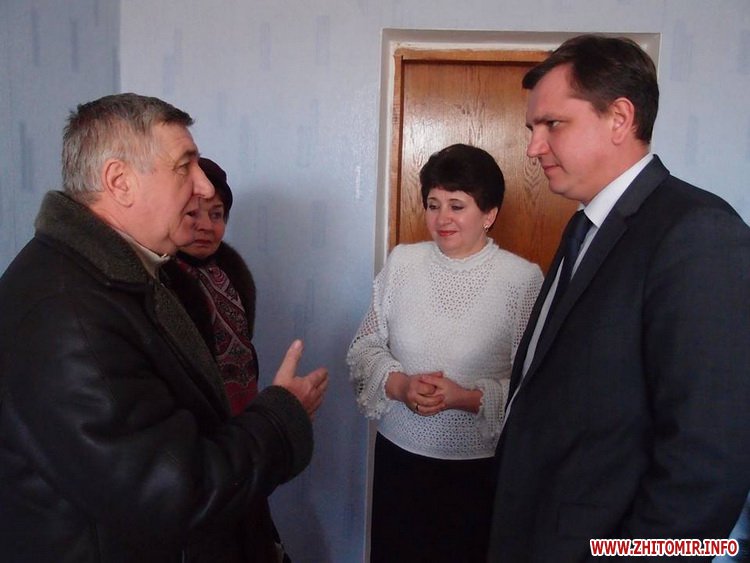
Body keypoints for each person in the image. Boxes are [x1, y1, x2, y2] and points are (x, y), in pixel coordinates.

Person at [0, 93, 328, 562]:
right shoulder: (70, 316)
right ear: (120, 182)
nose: (205, 188)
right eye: (183, 166)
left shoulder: (117, 275)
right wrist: (281, 417)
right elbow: (172, 494)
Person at [488, 35, 750, 562]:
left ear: (620, 118)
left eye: (553, 124)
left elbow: (707, 461)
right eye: (532, 129)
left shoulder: (697, 233)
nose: (534, 148)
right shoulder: (584, 226)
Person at [347, 143, 543, 562]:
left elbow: (535, 386)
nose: (442, 219)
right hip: (399, 460)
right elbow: (365, 345)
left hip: (477, 471)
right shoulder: (403, 262)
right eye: (433, 205)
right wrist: (400, 385)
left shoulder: (522, 280)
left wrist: (464, 398)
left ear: (489, 214)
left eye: (457, 206)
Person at [162, 156, 289, 561]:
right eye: (192, 214)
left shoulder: (227, 271)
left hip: (244, 427)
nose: (206, 225)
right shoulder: (160, 282)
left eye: (216, 214)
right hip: (200, 444)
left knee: (253, 532)